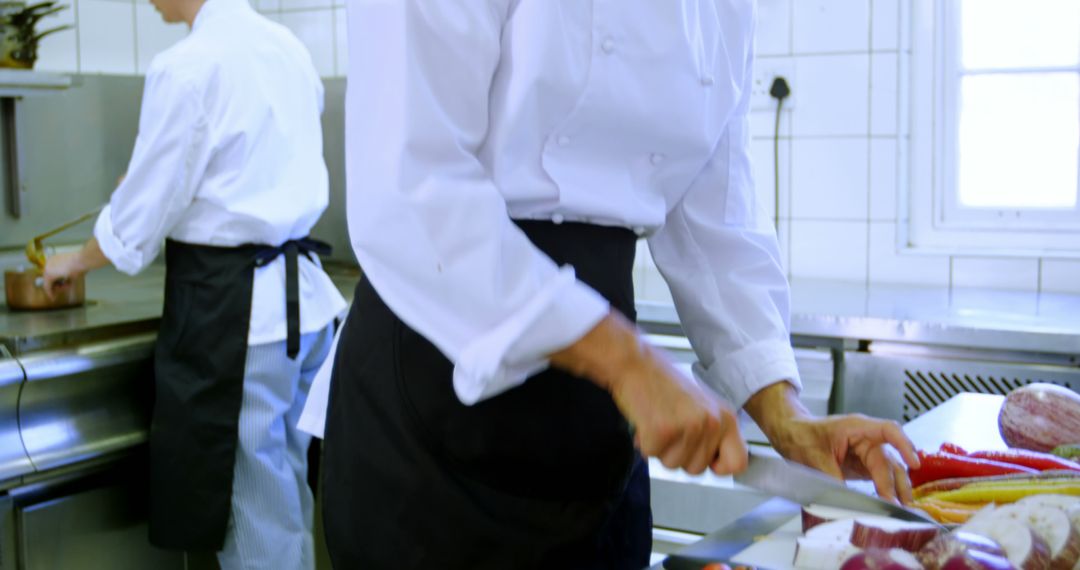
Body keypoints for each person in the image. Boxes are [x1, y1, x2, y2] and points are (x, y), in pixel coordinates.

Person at [306, 2, 921, 569]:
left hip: (601, 411)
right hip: (440, 383)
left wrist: (782, 413)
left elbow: (717, 219)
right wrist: (629, 363)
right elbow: (408, 193)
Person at [42, 0, 347, 567]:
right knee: (285, 499)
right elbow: (241, 175)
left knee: (254, 516)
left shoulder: (187, 65)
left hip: (238, 321)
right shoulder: (287, 49)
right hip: (305, 309)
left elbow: (143, 211)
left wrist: (75, 262)